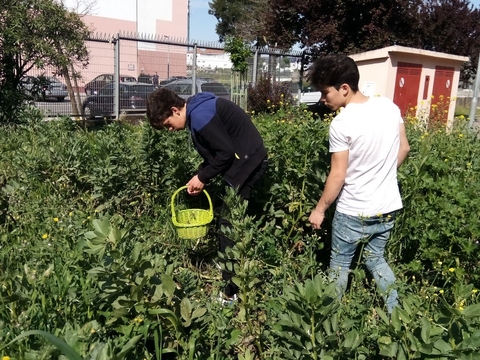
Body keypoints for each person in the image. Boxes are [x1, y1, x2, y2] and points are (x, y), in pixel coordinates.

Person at [307, 54, 410, 313]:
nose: (322, 99)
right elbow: (405, 148)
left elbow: (338, 176)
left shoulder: (342, 123)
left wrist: (319, 210)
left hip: (353, 211)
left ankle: (333, 321)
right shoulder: (389, 107)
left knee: (340, 266)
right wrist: (383, 174)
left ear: (344, 88)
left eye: (325, 92)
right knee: (376, 259)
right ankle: (396, 314)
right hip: (387, 206)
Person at [146, 87, 268, 303]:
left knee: (227, 225)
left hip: (249, 161)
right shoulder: (197, 110)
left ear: (174, 110)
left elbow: (225, 153)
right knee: (228, 219)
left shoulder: (200, 116)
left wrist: (202, 177)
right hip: (245, 158)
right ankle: (235, 273)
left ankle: (232, 292)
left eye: (167, 125)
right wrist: (201, 175)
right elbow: (218, 153)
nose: (170, 130)